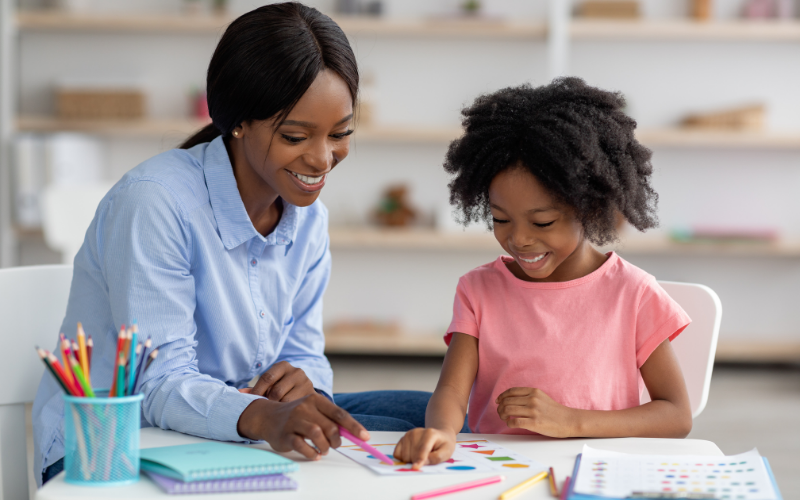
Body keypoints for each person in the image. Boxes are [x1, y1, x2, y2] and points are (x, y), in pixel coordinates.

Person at [32, 3, 429, 487]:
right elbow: (161, 385)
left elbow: (305, 351)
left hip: (237, 423)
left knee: (436, 413)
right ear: (238, 122)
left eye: (341, 133)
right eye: (295, 135)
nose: (323, 158)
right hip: (114, 444)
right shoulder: (155, 203)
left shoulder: (308, 218)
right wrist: (264, 416)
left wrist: (305, 383)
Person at [394, 78, 694, 469]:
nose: (518, 239)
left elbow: (676, 415)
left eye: (543, 222)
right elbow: (451, 390)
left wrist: (569, 421)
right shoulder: (478, 289)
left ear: (591, 207)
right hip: (498, 471)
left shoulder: (633, 293)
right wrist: (443, 432)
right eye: (501, 219)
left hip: (595, 473)